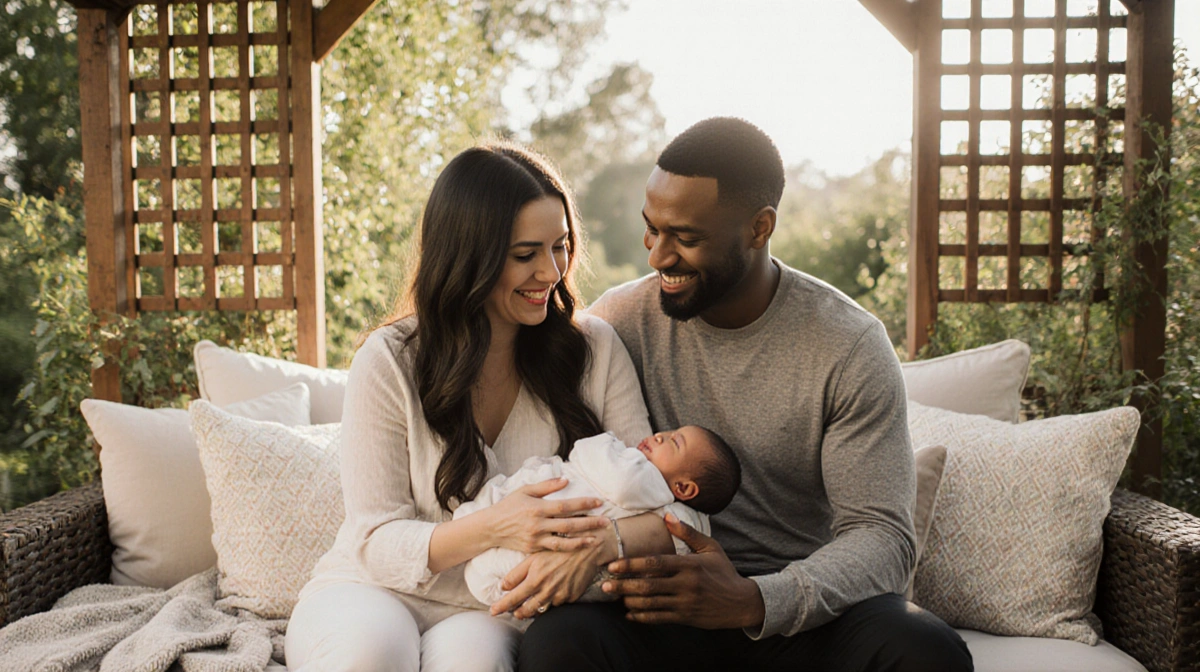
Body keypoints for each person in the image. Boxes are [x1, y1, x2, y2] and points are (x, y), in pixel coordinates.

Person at [518, 118, 974, 672]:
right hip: (656, 607)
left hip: (793, 616)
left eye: (686, 238)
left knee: (925, 648)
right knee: (557, 642)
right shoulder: (622, 321)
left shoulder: (847, 344)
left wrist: (755, 600)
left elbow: (883, 538)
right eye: (651, 229)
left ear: (759, 229)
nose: (658, 256)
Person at [284, 141, 662, 672]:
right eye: (526, 254)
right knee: (369, 657)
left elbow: (662, 509)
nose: (552, 272)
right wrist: (498, 526)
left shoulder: (595, 349)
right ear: (469, 257)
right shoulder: (391, 359)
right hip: (370, 589)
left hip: (496, 607)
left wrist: (598, 545)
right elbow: (374, 540)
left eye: (562, 246)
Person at [456, 426, 742, 606]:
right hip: (542, 557)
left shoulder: (639, 476)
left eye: (673, 442)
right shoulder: (668, 510)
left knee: (496, 521)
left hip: (548, 539)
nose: (659, 435)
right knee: (491, 571)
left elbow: (599, 463)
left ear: (683, 487)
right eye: (667, 432)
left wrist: (605, 442)